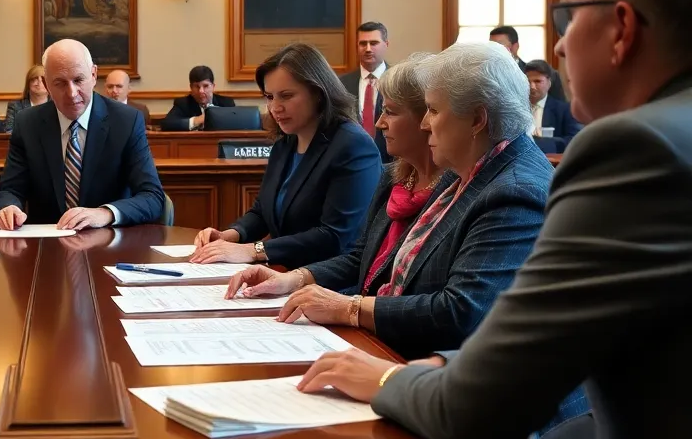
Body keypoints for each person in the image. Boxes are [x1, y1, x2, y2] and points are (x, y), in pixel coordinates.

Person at [293, 0, 692, 439]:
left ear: (622, 28)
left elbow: (479, 412)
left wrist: (384, 378)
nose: (559, 44)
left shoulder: (634, 151)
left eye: (568, 17)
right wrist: (448, 366)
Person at [227, 45, 555, 362]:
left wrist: (349, 308)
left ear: (477, 120)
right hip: (402, 352)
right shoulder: (468, 171)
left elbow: (460, 312)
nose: (426, 124)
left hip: (441, 374)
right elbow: (370, 262)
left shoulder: (513, 191)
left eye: (434, 111)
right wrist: (296, 279)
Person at [192, 44, 381, 267]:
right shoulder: (285, 143)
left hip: (334, 285)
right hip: (286, 274)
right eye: (270, 97)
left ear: (318, 93)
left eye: (286, 96)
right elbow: (263, 212)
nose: (275, 107)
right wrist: (230, 235)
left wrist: (252, 251)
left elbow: (333, 236)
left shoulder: (353, 144)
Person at [0, 39, 165, 230]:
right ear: (46, 83)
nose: (72, 93)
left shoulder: (126, 121)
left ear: (93, 75)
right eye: (60, 83)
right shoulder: (27, 124)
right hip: (46, 246)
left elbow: (152, 197)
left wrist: (105, 213)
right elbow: (8, 191)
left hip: (109, 244)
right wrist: (8, 208)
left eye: (78, 80)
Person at [339, 21, 390, 162]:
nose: (368, 49)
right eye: (363, 44)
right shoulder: (342, 84)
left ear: (386, 44)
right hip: (351, 160)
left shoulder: (397, 80)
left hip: (390, 162)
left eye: (373, 43)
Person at [490, 25, 567, 102]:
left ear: (515, 47)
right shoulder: (485, 74)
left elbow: (560, 110)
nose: (492, 50)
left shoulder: (545, 75)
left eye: (498, 46)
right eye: (490, 46)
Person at [525, 59, 583, 154]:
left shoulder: (564, 110)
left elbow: (574, 141)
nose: (532, 86)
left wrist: (541, 143)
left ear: (549, 83)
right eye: (528, 81)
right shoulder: (517, 108)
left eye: (537, 81)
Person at [160, 65, 236, 131]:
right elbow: (166, 124)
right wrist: (197, 120)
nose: (201, 91)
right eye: (197, 86)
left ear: (213, 86)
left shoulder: (227, 103)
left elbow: (236, 124)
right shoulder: (183, 103)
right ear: (191, 88)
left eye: (205, 86)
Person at [4, 64, 50, 131]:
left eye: (43, 79)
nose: (39, 82)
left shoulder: (57, 106)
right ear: (28, 83)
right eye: (35, 78)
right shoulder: (15, 105)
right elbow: (9, 132)